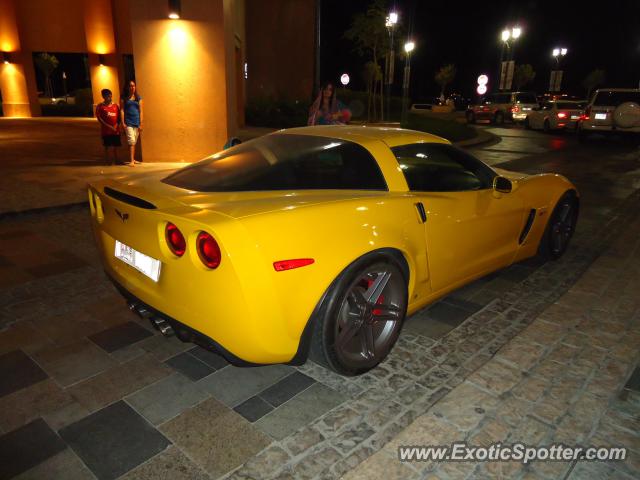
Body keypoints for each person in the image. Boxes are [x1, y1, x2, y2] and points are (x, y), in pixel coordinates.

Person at [121, 79, 143, 167]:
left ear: (135, 87)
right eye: (130, 86)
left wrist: (141, 123)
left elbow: (141, 111)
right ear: (127, 87)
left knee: (134, 141)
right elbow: (122, 110)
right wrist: (123, 122)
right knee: (131, 141)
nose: (132, 87)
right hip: (128, 122)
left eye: (133, 86)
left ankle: (133, 159)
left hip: (136, 122)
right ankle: (131, 161)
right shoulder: (124, 98)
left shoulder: (138, 98)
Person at [95, 88, 121, 165]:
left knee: (115, 146)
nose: (109, 97)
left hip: (115, 131)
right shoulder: (100, 106)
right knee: (107, 146)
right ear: (103, 96)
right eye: (107, 96)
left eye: (110, 95)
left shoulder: (115, 106)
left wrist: (116, 126)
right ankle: (108, 160)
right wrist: (109, 126)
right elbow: (99, 118)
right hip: (106, 131)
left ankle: (116, 160)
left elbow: (119, 117)